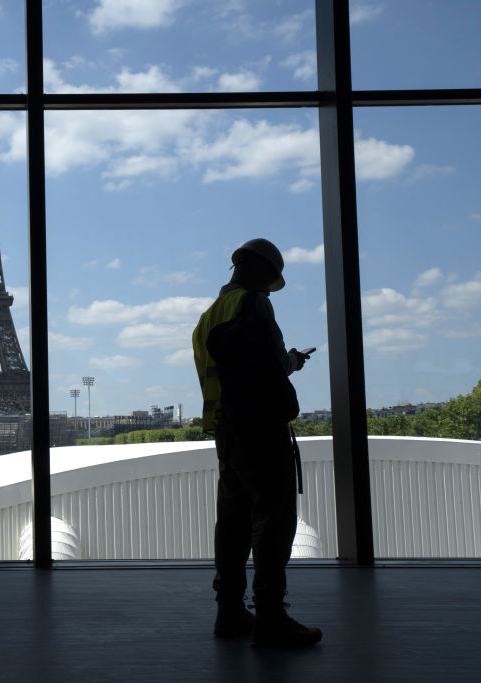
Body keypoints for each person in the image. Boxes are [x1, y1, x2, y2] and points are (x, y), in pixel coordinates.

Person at [191, 238, 322, 648]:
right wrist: (294, 361)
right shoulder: (254, 304)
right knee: (274, 521)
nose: (270, 288)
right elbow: (270, 361)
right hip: (262, 428)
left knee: (232, 524)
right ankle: (270, 616)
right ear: (261, 271)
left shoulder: (209, 316)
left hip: (227, 431)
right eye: (270, 279)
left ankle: (229, 612)